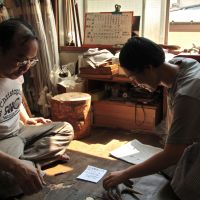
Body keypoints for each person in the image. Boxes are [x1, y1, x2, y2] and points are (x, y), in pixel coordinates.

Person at [103, 36, 200, 200]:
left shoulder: (187, 93)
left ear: (148, 68)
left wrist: (124, 174)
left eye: (133, 77)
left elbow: (172, 155)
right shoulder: (182, 63)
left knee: (183, 189)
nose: (135, 83)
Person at [0, 18, 74, 199]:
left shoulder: (14, 71)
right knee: (11, 183)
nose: (25, 67)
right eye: (20, 60)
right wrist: (14, 166)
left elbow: (16, 98)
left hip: (19, 130)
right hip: (3, 141)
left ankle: (27, 163)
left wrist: (26, 119)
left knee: (65, 129)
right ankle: (26, 164)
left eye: (31, 61)